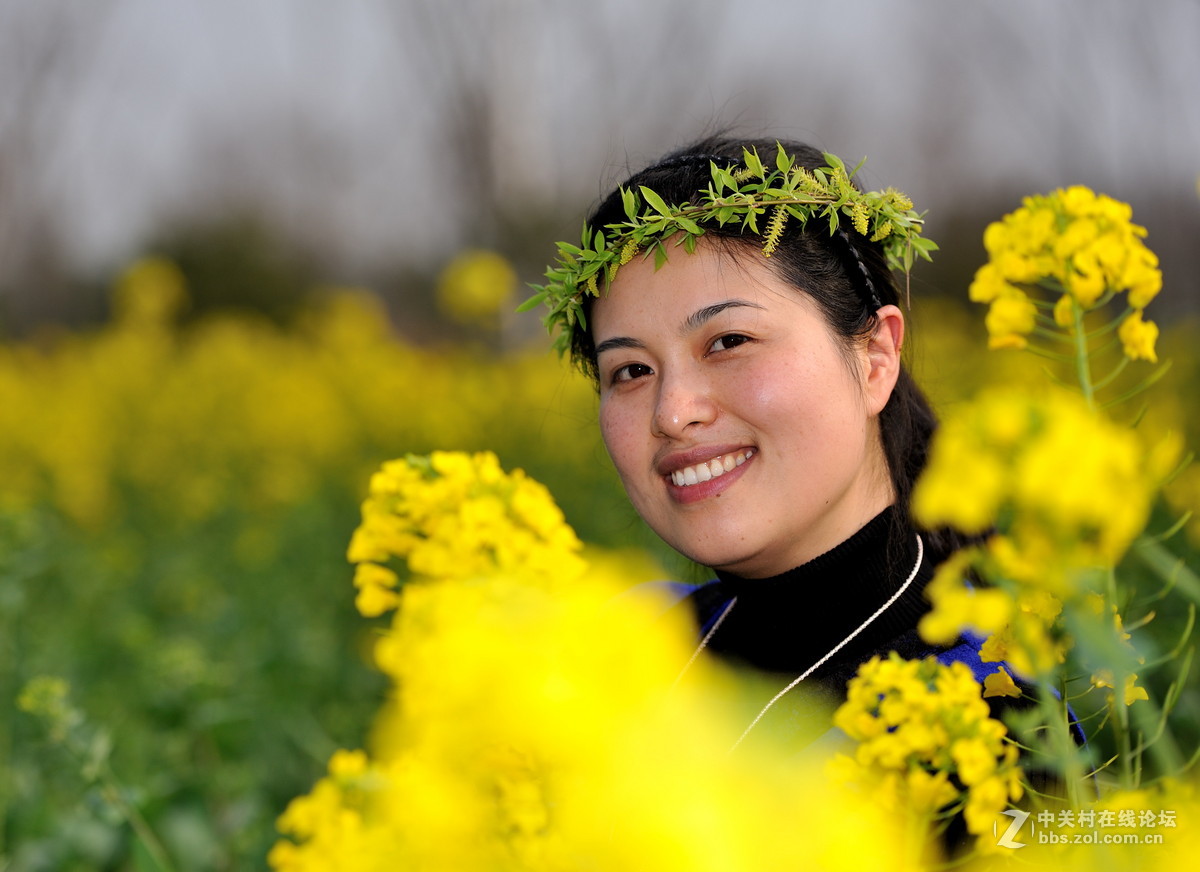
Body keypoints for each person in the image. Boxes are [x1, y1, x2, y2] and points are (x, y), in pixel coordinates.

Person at [531, 134, 1015, 753]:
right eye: (630, 371)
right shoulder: (625, 646)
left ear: (874, 359)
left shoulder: (980, 726)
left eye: (729, 341)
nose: (674, 414)